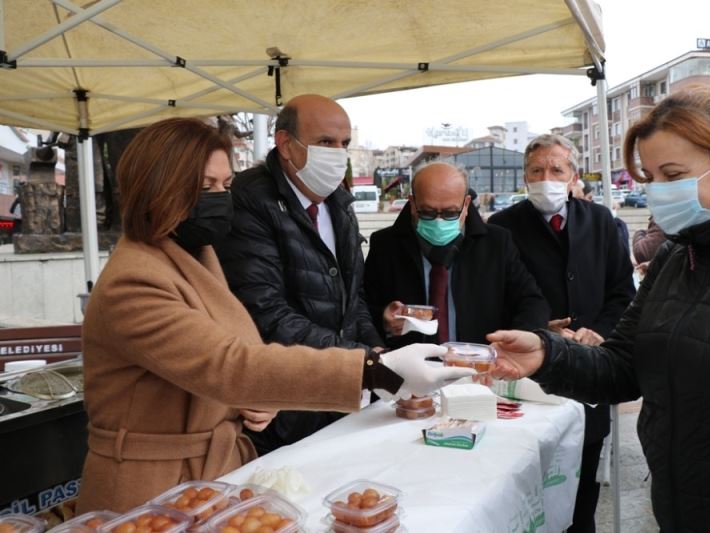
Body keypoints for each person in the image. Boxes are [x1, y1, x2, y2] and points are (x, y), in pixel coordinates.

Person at [78, 117, 474, 513]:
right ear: (157, 188)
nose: (220, 199)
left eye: (225, 186)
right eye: (204, 187)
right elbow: (227, 365)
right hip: (150, 490)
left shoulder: (196, 257)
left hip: (212, 476)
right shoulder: (134, 281)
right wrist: (372, 369)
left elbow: (219, 356)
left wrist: (252, 399)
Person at [487, 76, 710, 531]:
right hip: (680, 508)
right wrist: (548, 354)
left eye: (672, 175)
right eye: (651, 178)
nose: (658, 192)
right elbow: (622, 366)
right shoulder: (679, 253)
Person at [215, 95, 384, 455]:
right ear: (285, 143)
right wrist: (364, 361)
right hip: (281, 409)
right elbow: (265, 311)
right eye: (325, 142)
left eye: (344, 143)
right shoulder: (248, 199)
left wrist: (376, 350)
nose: (338, 154)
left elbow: (353, 298)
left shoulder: (339, 202)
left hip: (343, 398)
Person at [488, 134, 635, 533]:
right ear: (524, 177)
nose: (546, 178)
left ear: (573, 177)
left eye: (556, 169)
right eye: (536, 170)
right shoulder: (501, 227)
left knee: (583, 491)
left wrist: (598, 332)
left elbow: (622, 292)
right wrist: (537, 331)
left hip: (590, 370)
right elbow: (493, 298)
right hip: (526, 377)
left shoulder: (600, 220)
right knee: (527, 484)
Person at [364, 162, 550, 347]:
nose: (438, 221)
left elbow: (532, 302)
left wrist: (512, 343)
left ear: (466, 204)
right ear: (412, 204)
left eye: (450, 213)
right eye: (427, 212)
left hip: (481, 360)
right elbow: (361, 309)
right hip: (408, 362)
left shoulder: (497, 243)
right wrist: (383, 318)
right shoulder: (385, 245)